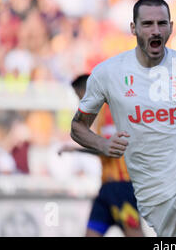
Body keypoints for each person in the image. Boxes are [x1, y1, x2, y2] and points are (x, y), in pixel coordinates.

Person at [70, 0, 176, 237]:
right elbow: (78, 127)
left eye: (162, 24)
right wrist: (102, 144)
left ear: (170, 26)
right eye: (148, 24)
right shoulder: (108, 74)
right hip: (150, 192)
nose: (156, 30)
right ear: (133, 28)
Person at [60, 74, 144, 237]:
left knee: (134, 233)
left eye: (79, 97)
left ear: (86, 91)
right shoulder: (99, 116)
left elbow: (111, 148)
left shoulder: (110, 112)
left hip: (122, 186)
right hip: (106, 187)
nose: (80, 103)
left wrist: (77, 150)